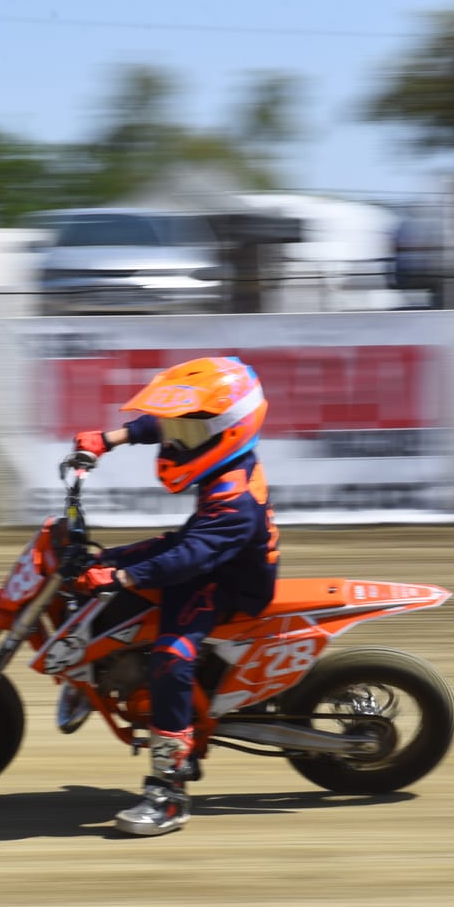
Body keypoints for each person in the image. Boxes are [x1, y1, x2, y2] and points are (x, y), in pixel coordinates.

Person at [71, 356, 280, 836]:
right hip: (204, 550)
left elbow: (189, 561)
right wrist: (110, 439)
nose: (171, 442)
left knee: (170, 655)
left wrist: (123, 579)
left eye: (184, 437)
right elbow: (166, 424)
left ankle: (168, 792)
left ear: (226, 431)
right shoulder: (217, 450)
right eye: (176, 432)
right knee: (98, 563)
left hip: (227, 580)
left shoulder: (235, 497)